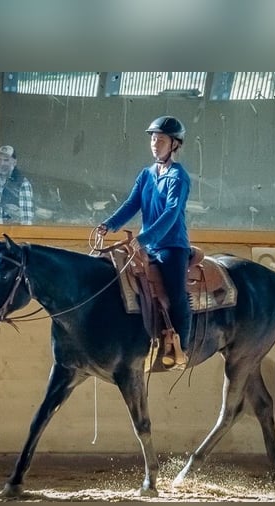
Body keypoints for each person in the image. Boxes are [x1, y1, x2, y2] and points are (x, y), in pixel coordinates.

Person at [97, 116, 192, 369]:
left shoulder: (178, 177)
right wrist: (110, 225)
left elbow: (172, 213)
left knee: (176, 292)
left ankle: (182, 345)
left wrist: (144, 238)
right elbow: (132, 204)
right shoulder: (146, 174)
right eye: (152, 138)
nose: (155, 143)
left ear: (174, 144)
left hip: (172, 246)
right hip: (147, 245)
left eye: (161, 139)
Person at [0, 145, 34, 225]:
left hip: (10, 234)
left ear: (14, 162)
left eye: (6, 160)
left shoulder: (23, 183)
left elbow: (26, 220)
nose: (2, 163)